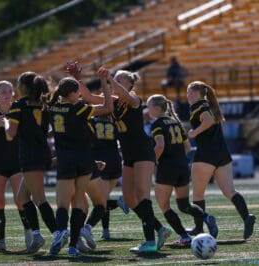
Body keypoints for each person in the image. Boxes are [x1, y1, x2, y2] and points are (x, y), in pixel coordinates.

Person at [67, 62, 171, 253]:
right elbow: (88, 96)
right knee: (130, 200)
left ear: (129, 85)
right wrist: (76, 78)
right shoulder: (112, 101)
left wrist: (108, 79)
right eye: (116, 78)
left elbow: (123, 94)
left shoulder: (134, 100)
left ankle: (149, 242)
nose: (116, 81)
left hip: (142, 151)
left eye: (120, 79)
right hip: (128, 153)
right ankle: (160, 229)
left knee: (142, 195)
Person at [48, 68, 113, 256]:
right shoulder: (79, 108)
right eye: (78, 91)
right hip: (83, 158)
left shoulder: (52, 108)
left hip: (64, 158)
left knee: (62, 204)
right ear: (74, 92)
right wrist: (105, 86)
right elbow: (108, 108)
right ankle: (73, 246)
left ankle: (61, 231)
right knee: (78, 203)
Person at [186, 81, 256, 239]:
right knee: (230, 191)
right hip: (222, 154)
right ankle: (246, 217)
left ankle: (198, 228)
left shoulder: (199, 106)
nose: (187, 95)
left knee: (197, 195)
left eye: (188, 92)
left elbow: (208, 120)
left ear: (196, 93)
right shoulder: (211, 105)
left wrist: (194, 132)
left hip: (206, 155)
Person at [146, 94, 218, 245]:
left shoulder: (157, 124)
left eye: (149, 106)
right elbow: (187, 148)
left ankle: (184, 236)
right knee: (184, 205)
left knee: (165, 206)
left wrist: (153, 161)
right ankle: (206, 217)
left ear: (157, 108)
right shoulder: (177, 123)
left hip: (167, 167)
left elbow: (160, 145)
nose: (147, 109)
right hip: (182, 166)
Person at [6, 73, 59, 254]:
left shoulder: (18, 105)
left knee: (39, 198)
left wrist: (4, 123)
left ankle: (59, 233)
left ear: (24, 86)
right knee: (22, 198)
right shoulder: (44, 104)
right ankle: (37, 235)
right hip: (42, 153)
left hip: (30, 155)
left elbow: (11, 133)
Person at [0, 81, 32, 251]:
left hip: (17, 161)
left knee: (21, 200)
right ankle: (1, 242)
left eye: (10, 91)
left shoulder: (18, 111)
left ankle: (30, 236)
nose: (7, 94)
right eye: (3, 91)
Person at [79, 114, 129, 251]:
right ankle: (105, 231)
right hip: (115, 161)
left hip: (100, 160)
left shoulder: (91, 120)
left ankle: (89, 227)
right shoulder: (113, 122)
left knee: (101, 202)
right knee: (103, 199)